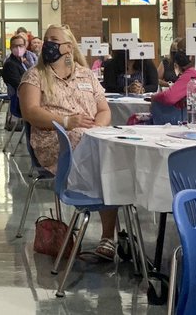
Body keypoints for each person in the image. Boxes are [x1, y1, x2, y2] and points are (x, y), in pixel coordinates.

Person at [19, 24, 115, 260]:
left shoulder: (86, 75)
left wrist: (98, 129)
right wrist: (66, 121)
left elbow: (104, 109)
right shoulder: (35, 76)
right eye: (46, 39)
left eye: (54, 39)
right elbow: (30, 111)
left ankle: (109, 237)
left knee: (110, 152)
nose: (48, 44)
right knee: (100, 159)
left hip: (90, 139)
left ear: (68, 47)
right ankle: (109, 232)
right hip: (55, 140)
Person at [150, 38, 196, 125]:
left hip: (195, 118)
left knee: (156, 106)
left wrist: (155, 97)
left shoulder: (193, 72)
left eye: (181, 51)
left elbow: (169, 97)